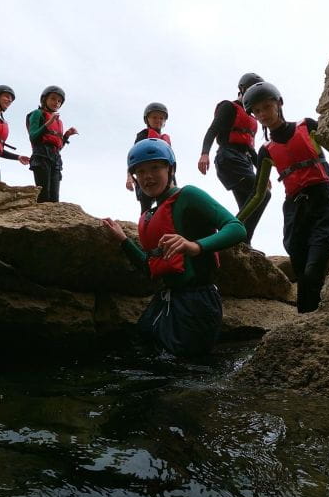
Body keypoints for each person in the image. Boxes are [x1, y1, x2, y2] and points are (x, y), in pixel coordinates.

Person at [102, 139, 247, 356]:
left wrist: (195, 246)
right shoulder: (149, 215)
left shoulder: (188, 196)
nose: (147, 176)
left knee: (182, 371)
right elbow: (150, 268)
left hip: (198, 302)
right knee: (141, 354)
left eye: (155, 167)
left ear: (170, 168)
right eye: (140, 172)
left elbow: (237, 228)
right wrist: (124, 241)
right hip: (166, 300)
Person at [242, 81, 329, 313]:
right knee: (300, 268)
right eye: (256, 111)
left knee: (313, 269)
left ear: (278, 104)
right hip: (295, 211)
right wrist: (237, 221)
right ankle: (307, 320)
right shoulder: (265, 151)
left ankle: (310, 319)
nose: (262, 114)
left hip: (323, 202)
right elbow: (258, 194)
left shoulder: (307, 126)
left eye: (267, 107)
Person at [197, 72, 270, 244]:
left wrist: (262, 173)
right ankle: (229, 234)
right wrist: (204, 153)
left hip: (243, 160)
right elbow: (213, 129)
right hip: (228, 157)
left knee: (249, 206)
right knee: (262, 195)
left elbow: (250, 149)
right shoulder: (229, 107)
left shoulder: (251, 118)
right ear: (242, 90)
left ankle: (242, 243)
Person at [26, 85, 78, 202]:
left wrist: (66, 136)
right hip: (41, 157)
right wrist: (48, 123)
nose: (57, 103)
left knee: (55, 198)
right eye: (53, 99)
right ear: (45, 99)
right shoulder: (37, 114)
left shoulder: (59, 121)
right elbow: (33, 137)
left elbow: (58, 147)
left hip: (55, 159)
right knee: (44, 195)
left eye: (59, 101)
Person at [125, 102, 172, 213]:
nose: (158, 120)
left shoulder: (165, 140)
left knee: (167, 206)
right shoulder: (143, 135)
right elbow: (134, 156)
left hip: (163, 177)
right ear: (147, 119)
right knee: (145, 208)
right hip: (146, 176)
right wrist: (129, 177)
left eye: (161, 118)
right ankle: (144, 228)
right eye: (154, 117)